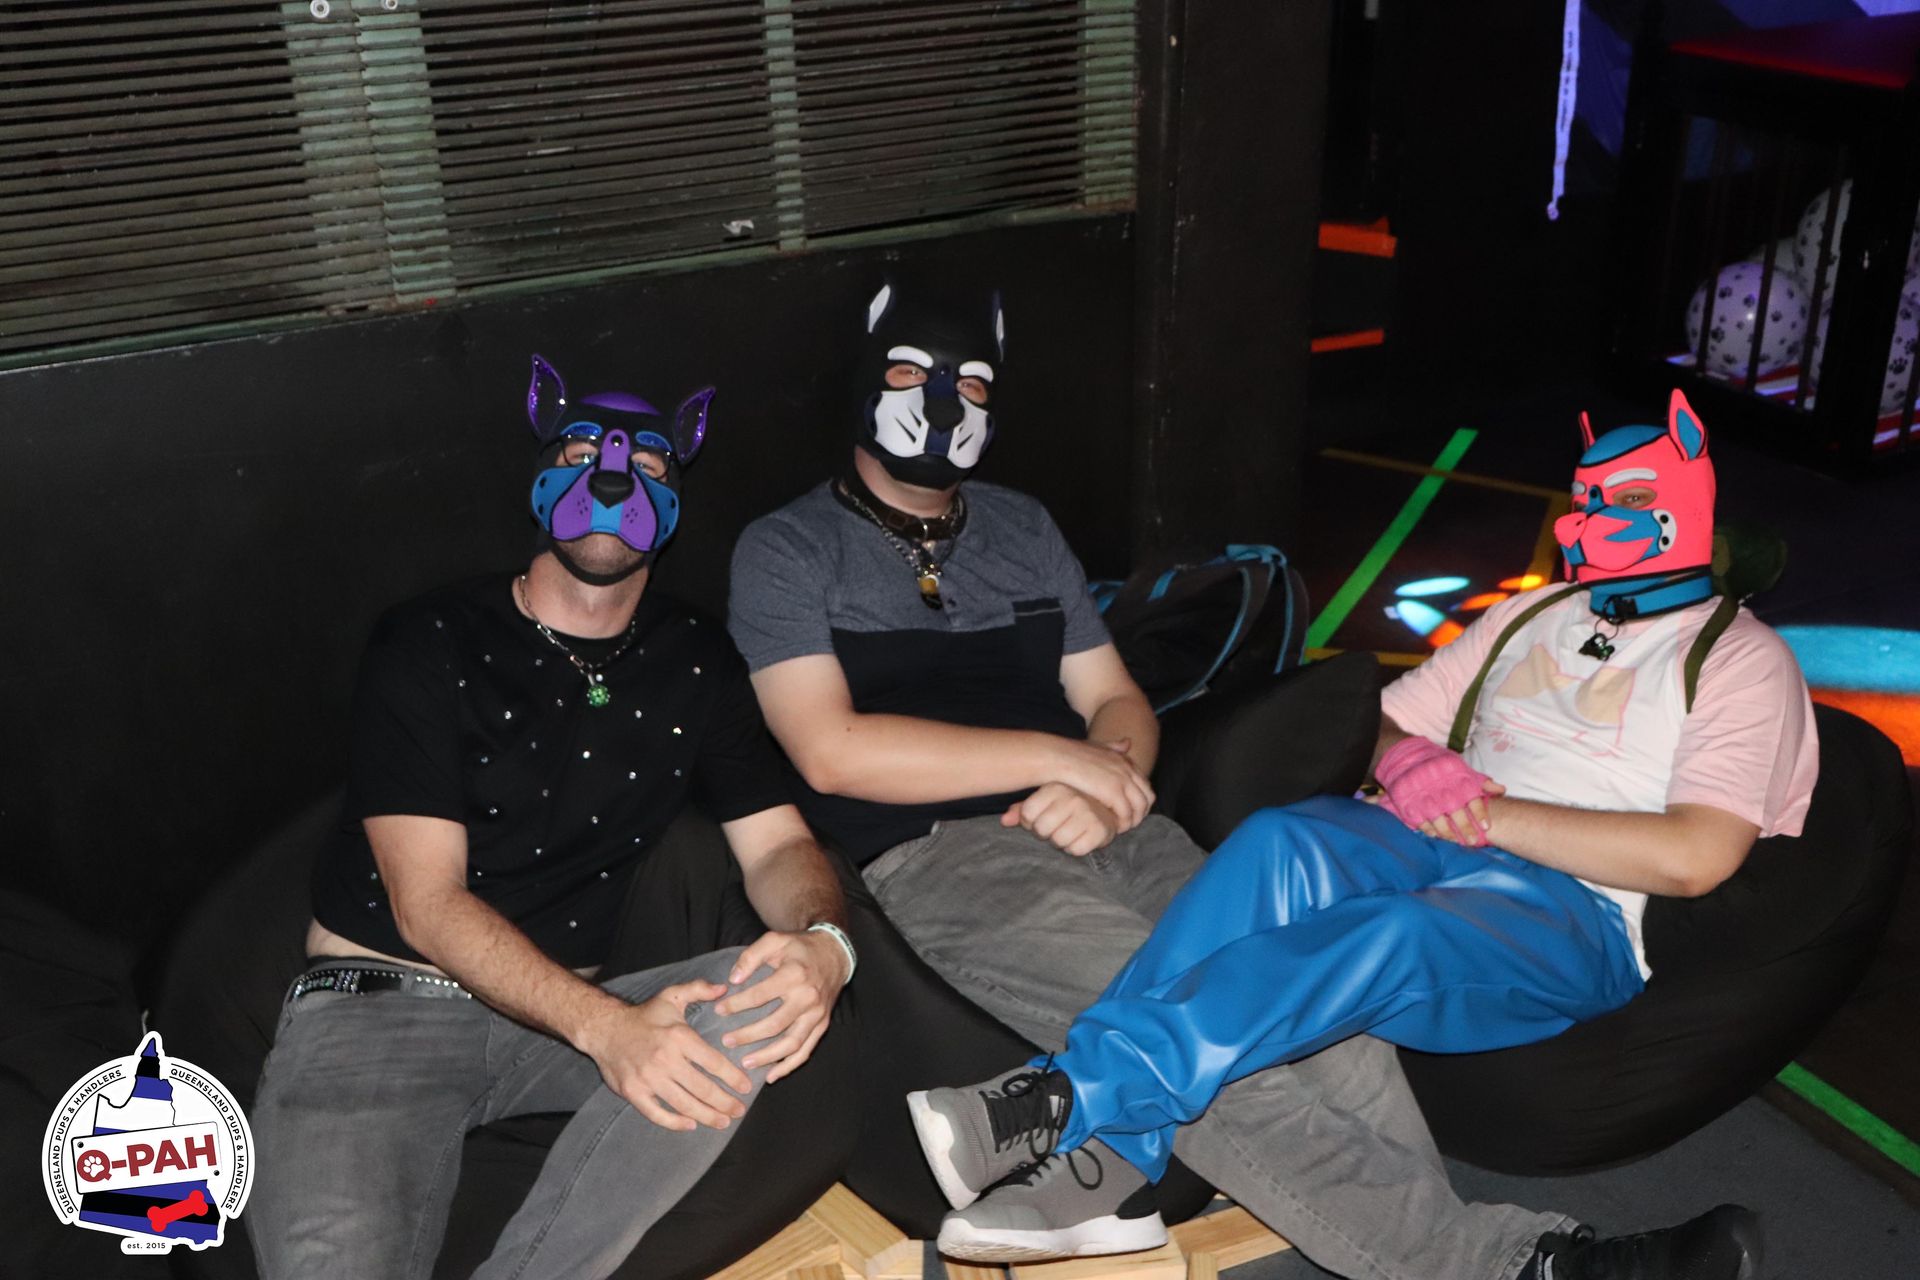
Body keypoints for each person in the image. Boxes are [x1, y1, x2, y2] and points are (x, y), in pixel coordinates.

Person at [908, 387, 1813, 1279]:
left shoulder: (1742, 659)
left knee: (1395, 931)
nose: (1594, 516)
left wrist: (1489, 815)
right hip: (1438, 841)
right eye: (1587, 497)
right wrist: (1409, 758)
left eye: (1630, 497)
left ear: (1688, 502)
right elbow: (1386, 720)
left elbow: (1697, 856)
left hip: (1577, 909)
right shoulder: (1531, 614)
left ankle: (1074, 1099)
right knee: (1278, 842)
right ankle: (1117, 1163)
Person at [249, 355, 856, 1280]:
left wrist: (825, 945)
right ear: (541, 480)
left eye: (648, 465)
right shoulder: (430, 638)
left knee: (764, 997)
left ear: (676, 499)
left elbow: (777, 843)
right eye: (581, 453)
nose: (613, 479)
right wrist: (609, 1030)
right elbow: (425, 905)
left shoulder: (697, 657)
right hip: (383, 1016)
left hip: (574, 1017)